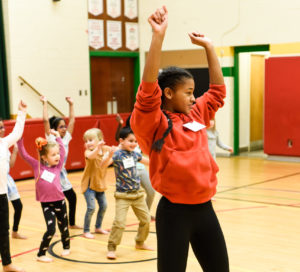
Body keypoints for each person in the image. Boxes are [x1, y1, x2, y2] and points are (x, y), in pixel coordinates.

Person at [130, 6, 229, 272]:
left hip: (205, 210)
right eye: (188, 92)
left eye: (194, 92)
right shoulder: (153, 122)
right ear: (169, 93)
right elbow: (148, 92)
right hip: (175, 214)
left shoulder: (196, 114)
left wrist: (208, 46)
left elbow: (218, 92)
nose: (194, 97)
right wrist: (158, 37)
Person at [17, 130, 70, 263]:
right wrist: (19, 139)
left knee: (63, 226)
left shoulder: (57, 167)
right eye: (53, 154)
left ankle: (66, 246)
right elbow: (24, 155)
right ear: (44, 157)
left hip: (60, 201)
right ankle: (41, 254)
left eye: (57, 154)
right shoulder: (37, 166)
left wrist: (58, 138)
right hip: (46, 203)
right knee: (51, 229)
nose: (57, 156)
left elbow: (63, 153)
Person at [107, 127, 152, 260]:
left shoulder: (135, 154)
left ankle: (139, 242)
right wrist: (109, 155)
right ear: (121, 141)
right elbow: (103, 165)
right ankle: (112, 247)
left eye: (136, 141)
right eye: (131, 141)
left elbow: (149, 162)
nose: (134, 143)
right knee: (120, 222)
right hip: (123, 196)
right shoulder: (117, 154)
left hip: (138, 194)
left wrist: (162, 161)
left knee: (146, 220)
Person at [40, 96, 81, 229]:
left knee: (72, 198)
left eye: (64, 126)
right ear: (55, 128)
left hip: (61, 173)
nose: (64, 128)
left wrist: (71, 104)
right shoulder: (51, 138)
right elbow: (45, 120)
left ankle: (72, 223)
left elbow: (73, 121)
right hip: (51, 173)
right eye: (61, 126)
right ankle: (53, 225)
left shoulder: (66, 138)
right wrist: (45, 103)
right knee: (54, 201)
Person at [0, 101, 27, 272]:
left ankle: (7, 263)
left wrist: (22, 113)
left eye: (1, 126)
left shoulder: (4, 143)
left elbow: (17, 132)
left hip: (2, 195)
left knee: (4, 230)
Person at [115, 114, 155, 216]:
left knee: (151, 191)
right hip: (130, 171)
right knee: (130, 196)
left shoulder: (140, 135)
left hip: (141, 168)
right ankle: (143, 214)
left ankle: (146, 213)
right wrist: (120, 124)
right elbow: (118, 137)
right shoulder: (126, 136)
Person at [81, 128, 116, 239]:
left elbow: (105, 164)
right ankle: (86, 230)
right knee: (91, 208)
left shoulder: (105, 149)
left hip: (99, 184)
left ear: (99, 139)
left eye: (90, 140)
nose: (88, 143)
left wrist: (112, 153)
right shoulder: (88, 152)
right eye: (86, 141)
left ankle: (98, 227)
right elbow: (91, 156)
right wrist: (98, 147)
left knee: (104, 206)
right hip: (89, 185)